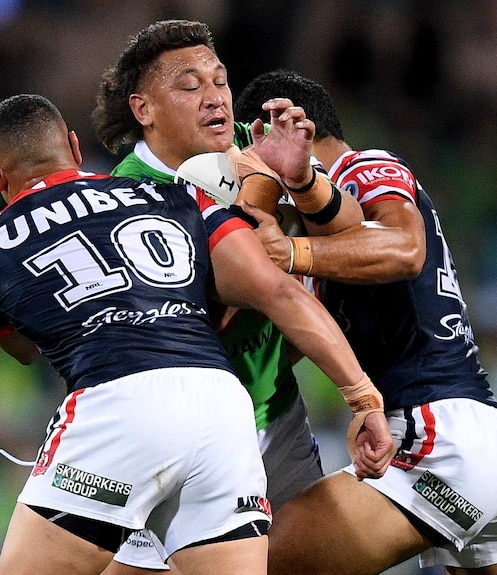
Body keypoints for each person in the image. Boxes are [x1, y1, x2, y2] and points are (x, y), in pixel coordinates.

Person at [0, 93, 392, 575]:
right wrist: (363, 397)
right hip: (222, 406)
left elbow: (21, 348)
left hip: (116, 405)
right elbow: (280, 293)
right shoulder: (176, 196)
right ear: (75, 148)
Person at [233, 70, 497, 575]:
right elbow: (281, 345)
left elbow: (406, 249)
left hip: (436, 435)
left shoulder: (364, 167)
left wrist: (290, 250)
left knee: (240, 564)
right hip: (487, 440)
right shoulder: (329, 247)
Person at [91, 20, 363, 574]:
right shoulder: (124, 196)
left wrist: (304, 180)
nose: (215, 96)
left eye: (218, 80)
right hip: (188, 441)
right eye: (190, 86)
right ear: (143, 109)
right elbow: (189, 321)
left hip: (277, 415)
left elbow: (350, 230)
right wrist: (252, 205)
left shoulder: (249, 142)